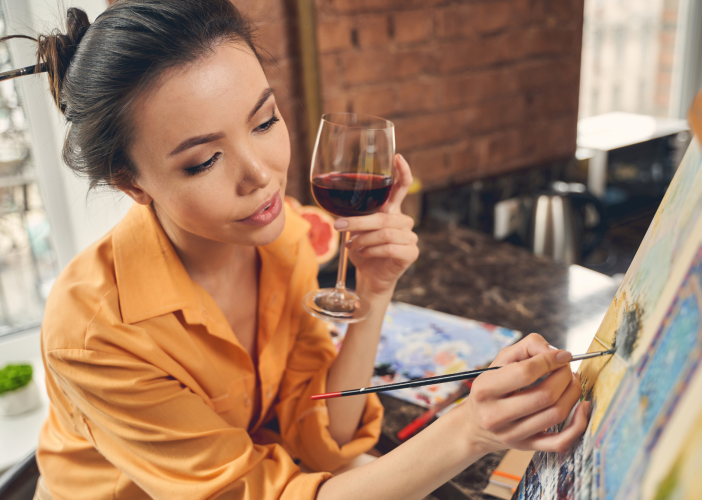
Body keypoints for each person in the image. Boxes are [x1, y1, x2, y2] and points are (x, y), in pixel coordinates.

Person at [12, 1, 590, 499]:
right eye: (204, 160)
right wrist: (472, 429)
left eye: (265, 121)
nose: (261, 176)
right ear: (132, 184)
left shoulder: (281, 236)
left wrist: (375, 290)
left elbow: (324, 432)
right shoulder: (95, 333)